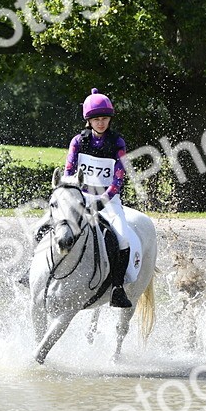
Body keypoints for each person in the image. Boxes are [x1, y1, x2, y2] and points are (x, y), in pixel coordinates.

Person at [63, 88, 135, 308]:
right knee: (55, 224)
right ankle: (34, 270)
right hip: (81, 196)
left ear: (109, 119)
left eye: (104, 119)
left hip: (108, 200)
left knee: (122, 238)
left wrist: (104, 198)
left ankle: (117, 288)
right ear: (89, 121)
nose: (101, 123)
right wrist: (73, 194)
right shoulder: (78, 141)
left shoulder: (117, 143)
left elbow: (120, 177)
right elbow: (68, 171)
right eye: (96, 119)